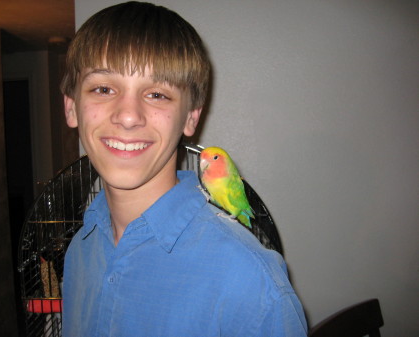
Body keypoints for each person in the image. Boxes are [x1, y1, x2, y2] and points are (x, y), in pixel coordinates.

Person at [61, 1, 307, 336]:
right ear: (72, 107)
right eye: (103, 88)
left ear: (191, 116)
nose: (128, 115)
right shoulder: (78, 252)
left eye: (158, 94)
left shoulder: (251, 285)